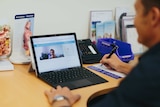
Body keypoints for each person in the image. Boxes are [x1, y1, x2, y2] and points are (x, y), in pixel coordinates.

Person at [45, 0, 160, 106]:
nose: (134, 21)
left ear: (154, 17)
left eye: (137, 13)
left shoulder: (149, 73)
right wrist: (123, 66)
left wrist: (60, 100)